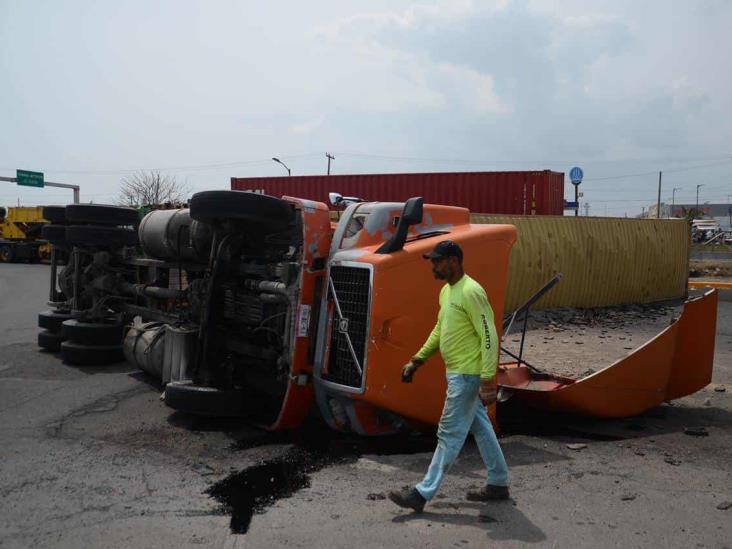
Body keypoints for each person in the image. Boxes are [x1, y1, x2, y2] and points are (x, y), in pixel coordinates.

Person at [388, 240, 510, 513]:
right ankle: (499, 483)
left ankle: (422, 493)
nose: (433, 267)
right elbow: (439, 329)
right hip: (458, 372)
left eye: (437, 261)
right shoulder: (447, 292)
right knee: (480, 426)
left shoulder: (471, 291)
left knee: (449, 432)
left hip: (467, 375)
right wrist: (417, 359)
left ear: (453, 261)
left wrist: (489, 378)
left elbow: (489, 336)